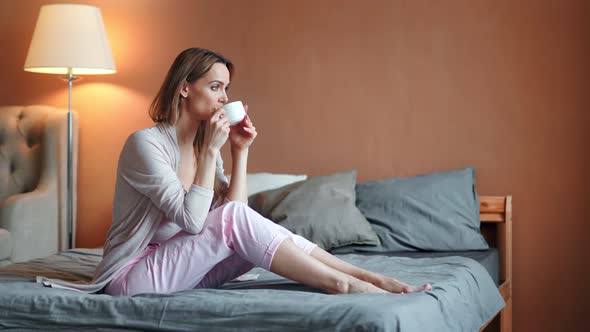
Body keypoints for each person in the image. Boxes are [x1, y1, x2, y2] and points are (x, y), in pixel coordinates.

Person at [92, 47, 432, 296]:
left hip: (183, 267)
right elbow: (194, 221)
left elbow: (234, 212)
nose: (224, 98)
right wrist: (212, 151)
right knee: (236, 222)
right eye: (215, 87)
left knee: (243, 222)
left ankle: (363, 276)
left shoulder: (202, 144)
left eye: (226, 89)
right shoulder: (145, 145)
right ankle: (343, 284)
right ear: (184, 88)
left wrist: (240, 152)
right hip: (131, 277)